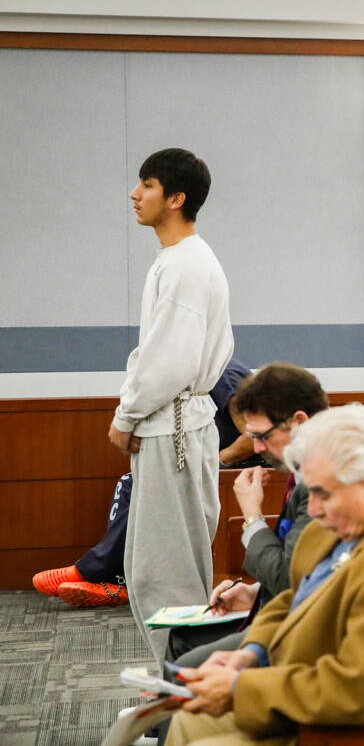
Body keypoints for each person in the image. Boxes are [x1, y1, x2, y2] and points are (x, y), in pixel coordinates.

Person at [165, 404, 364, 744]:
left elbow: (358, 690)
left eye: (321, 493)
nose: (312, 509)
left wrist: (240, 688)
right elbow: (300, 595)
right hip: (327, 685)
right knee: (187, 719)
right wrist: (252, 652)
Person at [106, 148, 234, 663]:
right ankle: (180, 689)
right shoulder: (181, 261)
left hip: (174, 426)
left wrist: (125, 416)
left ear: (176, 198)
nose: (135, 195)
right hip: (175, 424)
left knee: (166, 572)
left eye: (148, 185)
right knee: (156, 567)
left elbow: (167, 359)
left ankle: (185, 697)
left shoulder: (186, 265)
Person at [31, 358, 257, 607]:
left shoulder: (220, 375)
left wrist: (215, 463)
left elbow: (252, 436)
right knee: (131, 483)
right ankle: (116, 578)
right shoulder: (192, 379)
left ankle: (97, 572)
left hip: (248, 469)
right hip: (219, 464)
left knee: (140, 486)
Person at [165, 362, 330, 669]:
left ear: (298, 421)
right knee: (182, 639)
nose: (255, 447)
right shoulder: (303, 470)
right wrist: (253, 591)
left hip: (309, 629)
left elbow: (287, 577)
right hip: (289, 607)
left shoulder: (322, 480)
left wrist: (252, 515)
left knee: (188, 661)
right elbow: (305, 565)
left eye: (262, 435)